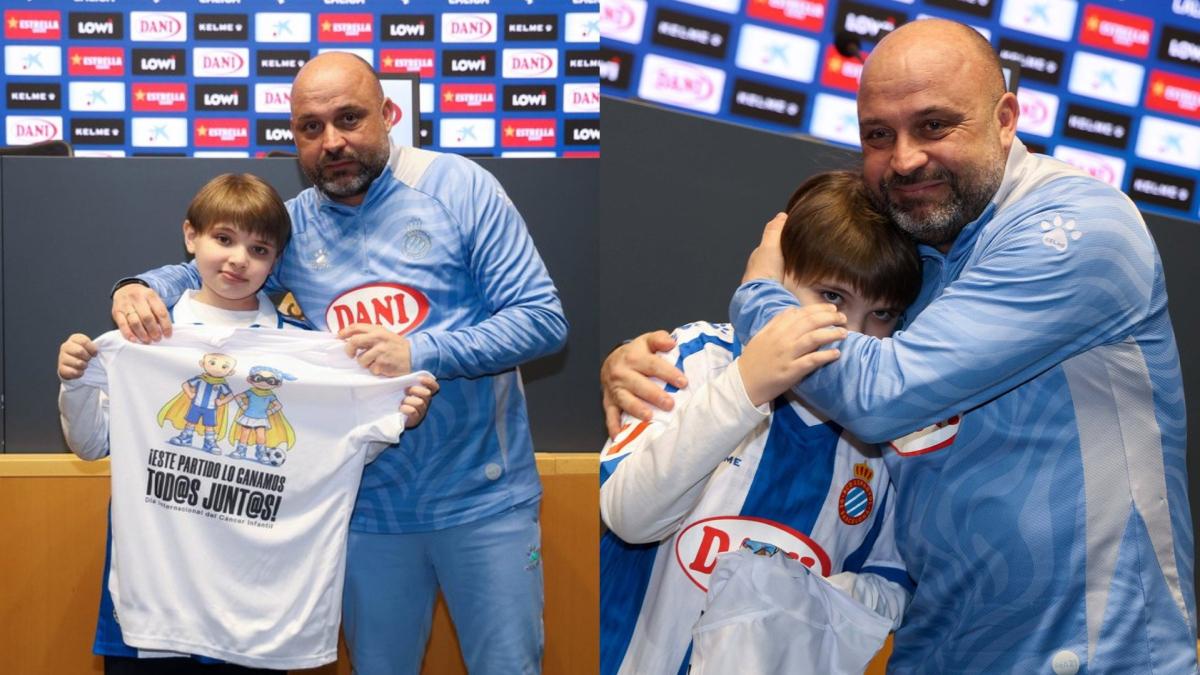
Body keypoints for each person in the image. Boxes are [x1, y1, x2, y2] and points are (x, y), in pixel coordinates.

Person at [602, 18, 1196, 673]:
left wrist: (758, 298)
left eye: (934, 125)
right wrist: (649, 358)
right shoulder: (918, 248)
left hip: (1092, 653)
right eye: (878, 135)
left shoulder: (1077, 225)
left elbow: (879, 393)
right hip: (938, 651)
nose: (906, 158)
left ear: (1005, 119)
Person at [111, 53, 567, 674]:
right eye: (311, 127)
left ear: (388, 114)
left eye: (350, 119)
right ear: (295, 137)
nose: (332, 142)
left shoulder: (459, 187)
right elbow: (210, 271)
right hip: (363, 510)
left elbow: (541, 319)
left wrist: (421, 351)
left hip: (483, 500)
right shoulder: (292, 227)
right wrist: (139, 287)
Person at [59, 173, 437, 674]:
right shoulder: (145, 335)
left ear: (275, 262)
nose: (239, 259)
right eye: (223, 239)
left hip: (257, 615)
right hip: (152, 608)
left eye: (259, 249)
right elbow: (90, 446)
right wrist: (77, 383)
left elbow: (328, 456)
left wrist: (393, 415)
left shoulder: (308, 350)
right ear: (190, 236)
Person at [600, 171, 919, 675]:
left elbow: (895, 585)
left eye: (881, 314)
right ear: (778, 273)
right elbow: (629, 517)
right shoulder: (696, 358)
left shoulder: (891, 432)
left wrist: (793, 600)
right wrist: (746, 384)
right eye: (832, 297)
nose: (851, 335)